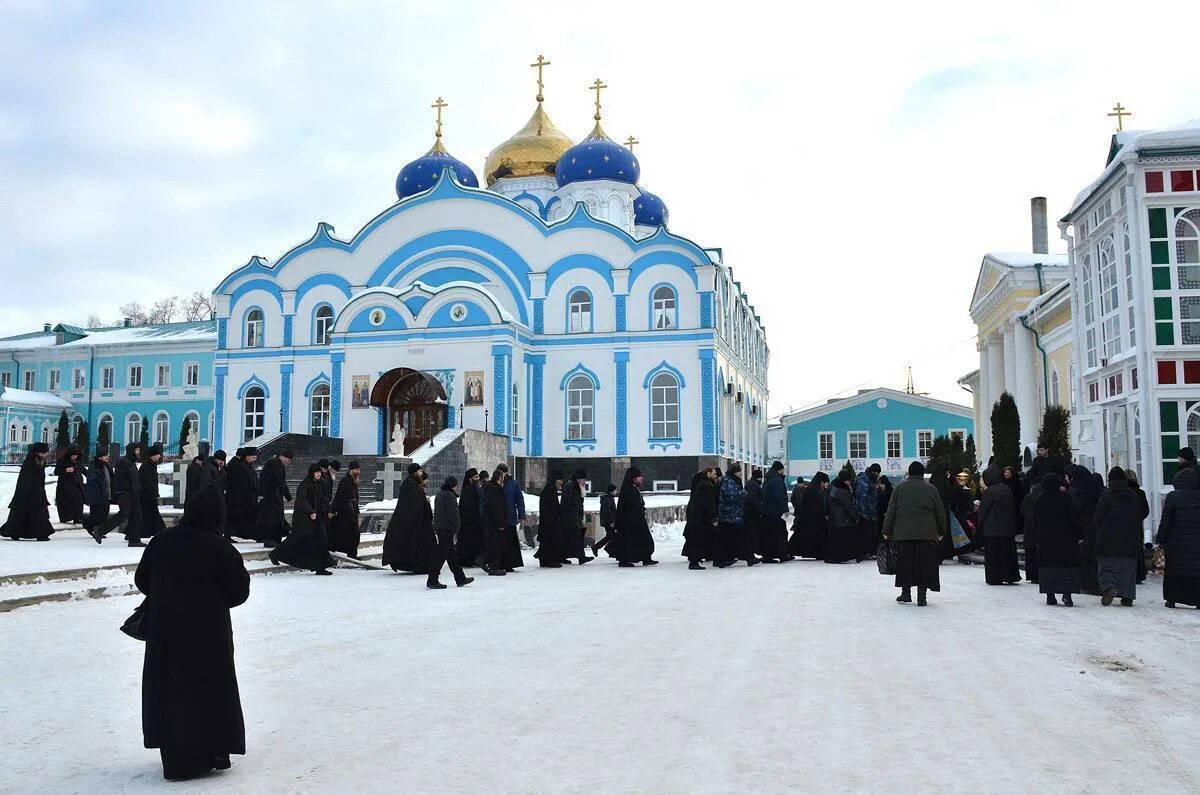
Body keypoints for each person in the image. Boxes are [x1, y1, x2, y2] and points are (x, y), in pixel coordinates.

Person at [135, 483, 250, 782]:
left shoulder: (161, 541)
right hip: (208, 634)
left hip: (165, 633)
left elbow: (142, 581)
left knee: (171, 693)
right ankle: (209, 753)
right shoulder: (220, 547)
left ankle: (175, 758)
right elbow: (239, 592)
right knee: (207, 693)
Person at [881, 461, 945, 606]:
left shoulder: (899, 489)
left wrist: (886, 530)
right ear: (923, 474)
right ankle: (922, 596)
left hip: (904, 534)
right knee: (924, 564)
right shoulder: (931, 489)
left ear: (909, 473)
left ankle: (906, 593)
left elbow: (891, 511)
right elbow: (940, 512)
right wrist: (941, 531)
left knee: (905, 564)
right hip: (927, 533)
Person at [270, 463, 335, 575]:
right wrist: (311, 512)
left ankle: (321, 567)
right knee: (294, 540)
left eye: (319, 472)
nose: (318, 474)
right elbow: (301, 501)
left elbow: (322, 499)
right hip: (304, 520)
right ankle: (275, 554)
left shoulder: (319, 484)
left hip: (317, 520)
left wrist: (328, 510)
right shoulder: (304, 485)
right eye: (316, 472)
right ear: (311, 473)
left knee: (321, 541)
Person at [1094, 467, 1142, 606]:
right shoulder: (1133, 495)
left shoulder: (1106, 495)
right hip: (1130, 537)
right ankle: (1127, 595)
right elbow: (1138, 514)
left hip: (1108, 537)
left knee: (1105, 566)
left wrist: (1099, 528)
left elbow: (1099, 515)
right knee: (1128, 568)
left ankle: (1109, 587)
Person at [1033, 473, 1081, 606]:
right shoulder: (1065, 498)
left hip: (1046, 540)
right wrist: (1078, 534)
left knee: (1048, 568)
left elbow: (1035, 520)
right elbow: (1074, 518)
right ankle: (1067, 594)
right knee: (1066, 567)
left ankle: (1050, 595)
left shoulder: (1039, 500)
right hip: (1066, 539)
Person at [381, 463, 437, 577]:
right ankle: (419, 566)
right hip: (413, 523)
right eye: (420, 471)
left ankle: (423, 566)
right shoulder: (409, 485)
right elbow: (412, 505)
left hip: (420, 522)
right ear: (415, 473)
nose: (421, 474)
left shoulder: (414, 484)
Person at [1156, 464, 1200, 608]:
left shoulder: (1173, 497)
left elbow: (1166, 520)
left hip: (1176, 544)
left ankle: (1172, 598)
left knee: (1175, 571)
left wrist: (1161, 539)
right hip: (1196, 544)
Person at [1, 442, 54, 541]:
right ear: (37, 453)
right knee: (32, 513)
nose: (45, 455)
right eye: (42, 453)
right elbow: (29, 480)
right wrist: (37, 493)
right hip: (29, 493)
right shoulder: (31, 462)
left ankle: (16, 532)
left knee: (25, 513)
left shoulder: (39, 461)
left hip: (34, 492)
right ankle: (39, 534)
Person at [93, 442, 143, 546]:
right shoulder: (123, 462)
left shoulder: (132, 462)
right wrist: (129, 489)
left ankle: (134, 540)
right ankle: (100, 530)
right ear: (132, 451)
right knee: (124, 514)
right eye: (137, 450)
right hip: (125, 494)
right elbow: (120, 480)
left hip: (133, 494)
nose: (138, 452)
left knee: (137, 515)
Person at [978, 468, 1020, 584]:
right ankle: (1009, 575)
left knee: (994, 556)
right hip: (1007, 529)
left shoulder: (990, 491)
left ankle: (995, 577)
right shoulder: (1006, 488)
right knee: (1007, 554)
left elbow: (983, 510)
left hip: (992, 530)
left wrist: (980, 523)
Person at [431, 476, 473, 588]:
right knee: (441, 556)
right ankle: (432, 579)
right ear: (453, 485)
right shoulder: (449, 496)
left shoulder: (439, 494)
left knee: (452, 556)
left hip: (441, 527)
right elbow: (453, 514)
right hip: (447, 528)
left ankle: (460, 578)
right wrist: (457, 526)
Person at [1067, 464, 1100, 595]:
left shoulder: (1076, 492)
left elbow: (1074, 512)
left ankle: (1085, 584)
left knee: (1084, 558)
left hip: (1082, 529)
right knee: (1093, 558)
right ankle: (1094, 585)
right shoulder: (1094, 489)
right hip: (1095, 528)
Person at [615, 467, 656, 567]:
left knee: (643, 540)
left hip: (637, 520)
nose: (641, 479)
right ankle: (624, 560)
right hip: (631, 522)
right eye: (638, 477)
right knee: (629, 542)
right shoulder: (629, 490)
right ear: (633, 478)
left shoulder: (633, 488)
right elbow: (629, 507)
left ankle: (646, 558)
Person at [682, 468, 719, 569]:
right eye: (714, 474)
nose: (715, 475)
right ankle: (694, 562)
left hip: (698, 517)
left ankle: (695, 560)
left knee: (698, 540)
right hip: (701, 518)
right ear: (708, 474)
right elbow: (708, 504)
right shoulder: (706, 485)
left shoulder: (702, 483)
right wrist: (713, 519)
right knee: (698, 540)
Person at [255, 450, 293, 548]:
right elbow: (263, 479)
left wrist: (288, 496)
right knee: (270, 519)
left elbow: (283, 483)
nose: (288, 463)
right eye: (288, 460)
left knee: (277, 519)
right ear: (283, 457)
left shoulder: (281, 466)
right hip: (269, 497)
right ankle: (268, 540)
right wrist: (261, 494)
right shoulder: (271, 463)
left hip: (277, 497)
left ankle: (275, 539)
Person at [789, 471, 829, 560]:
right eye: (824, 482)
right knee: (806, 536)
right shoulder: (814, 491)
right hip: (811, 518)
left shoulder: (812, 489)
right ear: (820, 482)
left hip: (811, 518)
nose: (824, 485)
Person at [223, 448, 259, 542]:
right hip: (239, 498)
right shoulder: (241, 467)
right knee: (235, 517)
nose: (255, 459)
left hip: (247, 497)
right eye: (253, 457)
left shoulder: (247, 466)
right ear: (247, 456)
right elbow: (240, 484)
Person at [716, 463, 749, 567]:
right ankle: (722, 559)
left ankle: (727, 558)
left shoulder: (732, 480)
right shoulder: (729, 481)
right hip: (729, 514)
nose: (740, 473)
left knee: (729, 538)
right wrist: (743, 493)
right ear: (735, 472)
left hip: (733, 514)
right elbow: (731, 496)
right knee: (727, 538)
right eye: (739, 471)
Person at [328, 461, 362, 558]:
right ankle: (350, 554)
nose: (358, 472)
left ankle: (352, 554)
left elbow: (356, 497)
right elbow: (338, 496)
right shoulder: (345, 480)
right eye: (356, 470)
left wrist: (357, 511)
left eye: (359, 469)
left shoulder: (354, 480)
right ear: (351, 470)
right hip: (345, 512)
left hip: (352, 511)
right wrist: (332, 511)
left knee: (354, 534)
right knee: (347, 534)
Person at [825, 471, 860, 564]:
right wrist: (856, 517)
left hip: (835, 517)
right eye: (848, 480)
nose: (850, 482)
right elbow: (849, 505)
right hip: (843, 518)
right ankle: (838, 557)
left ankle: (833, 557)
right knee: (842, 539)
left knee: (836, 538)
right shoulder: (842, 490)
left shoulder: (833, 486)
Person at [760, 461, 791, 563]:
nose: (783, 471)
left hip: (768, 512)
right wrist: (785, 510)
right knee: (781, 534)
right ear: (779, 469)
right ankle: (782, 555)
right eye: (782, 469)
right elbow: (780, 496)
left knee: (769, 534)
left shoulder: (768, 479)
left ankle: (770, 555)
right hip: (776, 512)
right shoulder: (776, 480)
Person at [455, 468, 486, 567]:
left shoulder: (475, 488)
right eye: (475, 477)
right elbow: (468, 507)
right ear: (470, 478)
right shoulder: (468, 490)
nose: (478, 479)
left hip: (474, 522)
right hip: (468, 523)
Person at [498, 463, 526, 567]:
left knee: (510, 542)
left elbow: (519, 500)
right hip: (499, 518)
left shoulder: (513, 484)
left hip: (510, 517)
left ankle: (510, 563)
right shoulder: (495, 484)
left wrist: (521, 514)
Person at [481, 469, 508, 575]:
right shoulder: (494, 490)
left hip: (491, 523)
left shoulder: (492, 489)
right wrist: (499, 524)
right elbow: (496, 508)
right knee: (497, 545)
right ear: (499, 478)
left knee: (495, 544)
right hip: (494, 523)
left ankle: (486, 561)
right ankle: (493, 566)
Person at [560, 470, 590, 565]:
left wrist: (580, 515)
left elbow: (579, 503)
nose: (584, 482)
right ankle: (581, 557)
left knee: (570, 538)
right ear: (578, 479)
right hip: (570, 518)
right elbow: (568, 503)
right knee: (576, 537)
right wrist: (575, 516)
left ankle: (563, 556)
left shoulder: (577, 487)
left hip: (574, 517)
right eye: (583, 479)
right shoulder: (570, 487)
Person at [1126, 469, 1151, 584]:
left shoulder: (1123, 493)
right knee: (1138, 550)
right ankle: (1139, 574)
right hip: (1137, 525)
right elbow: (1145, 510)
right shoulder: (1140, 493)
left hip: (1125, 525)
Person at [535, 472, 564, 567]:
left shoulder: (550, 490)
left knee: (547, 542)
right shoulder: (550, 491)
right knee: (549, 541)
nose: (561, 482)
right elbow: (550, 508)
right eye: (560, 480)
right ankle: (549, 560)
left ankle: (545, 560)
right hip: (549, 522)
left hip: (549, 521)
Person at [139, 444, 167, 542]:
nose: (160, 456)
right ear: (153, 455)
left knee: (150, 515)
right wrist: (153, 494)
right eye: (158, 454)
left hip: (150, 496)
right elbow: (148, 483)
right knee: (152, 515)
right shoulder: (147, 466)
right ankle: (162, 533)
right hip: (147, 496)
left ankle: (153, 532)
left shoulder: (150, 465)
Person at [84, 448, 113, 533]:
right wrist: (98, 495)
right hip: (98, 496)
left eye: (107, 455)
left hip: (106, 495)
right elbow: (93, 482)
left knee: (104, 514)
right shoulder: (94, 466)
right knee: (97, 515)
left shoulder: (106, 466)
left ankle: (98, 530)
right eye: (104, 456)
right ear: (100, 457)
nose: (107, 457)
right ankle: (95, 529)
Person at [854, 463, 881, 559]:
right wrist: (866, 513)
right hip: (865, 513)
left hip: (870, 512)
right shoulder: (864, 481)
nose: (878, 475)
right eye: (877, 473)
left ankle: (868, 552)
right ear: (873, 472)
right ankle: (864, 553)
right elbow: (863, 498)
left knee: (870, 534)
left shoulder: (870, 480)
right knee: (865, 534)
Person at [54, 447, 86, 525]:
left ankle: (77, 518)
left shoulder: (79, 462)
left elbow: (84, 471)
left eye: (76, 456)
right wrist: (65, 470)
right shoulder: (63, 462)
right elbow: (56, 471)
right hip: (65, 486)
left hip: (77, 485)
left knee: (79, 501)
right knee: (66, 502)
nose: (75, 457)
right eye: (73, 455)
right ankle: (65, 518)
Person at [1020, 476, 1043, 584]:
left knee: (1030, 554)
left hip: (1029, 527)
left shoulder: (1028, 497)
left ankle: (1031, 575)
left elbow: (1022, 510)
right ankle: (1040, 574)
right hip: (1040, 526)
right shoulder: (1043, 496)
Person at [744, 469, 765, 562]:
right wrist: (759, 511)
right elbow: (754, 500)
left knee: (751, 535)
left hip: (750, 514)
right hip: (752, 515)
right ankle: (751, 555)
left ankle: (751, 554)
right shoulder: (753, 485)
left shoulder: (751, 483)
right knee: (752, 535)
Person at [595, 482, 618, 556]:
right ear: (612, 491)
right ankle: (608, 550)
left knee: (611, 536)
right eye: (615, 490)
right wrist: (611, 521)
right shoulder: (608, 500)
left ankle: (609, 550)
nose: (616, 491)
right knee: (612, 536)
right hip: (608, 522)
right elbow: (607, 512)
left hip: (608, 521)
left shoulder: (609, 499)